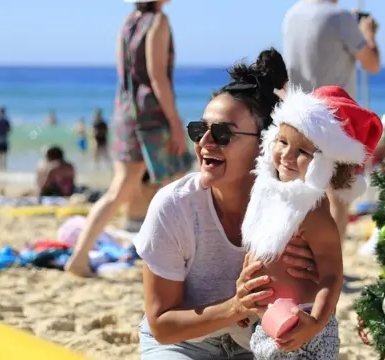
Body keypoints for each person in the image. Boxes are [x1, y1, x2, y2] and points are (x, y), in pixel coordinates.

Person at [133, 48, 320, 359]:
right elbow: (162, 325)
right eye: (199, 129)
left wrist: (312, 283)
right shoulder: (174, 207)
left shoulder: (293, 207)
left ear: (266, 144)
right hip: (185, 343)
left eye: (221, 133)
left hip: (260, 344)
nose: (205, 141)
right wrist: (237, 306)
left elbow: (323, 290)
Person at [242, 85, 382, 359]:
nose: (287, 156)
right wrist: (245, 299)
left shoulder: (314, 213)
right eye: (282, 142)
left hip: (304, 325)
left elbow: (332, 274)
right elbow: (256, 251)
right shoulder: (268, 196)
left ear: (325, 164)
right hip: (269, 323)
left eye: (303, 151)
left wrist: (316, 322)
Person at [65, 0, 192, 277]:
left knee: (120, 190)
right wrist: (175, 121)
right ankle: (181, 261)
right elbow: (157, 77)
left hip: (124, 111)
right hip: (150, 116)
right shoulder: (158, 21)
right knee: (178, 182)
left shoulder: (129, 21)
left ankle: (80, 256)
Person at [282, 0, 381, 240]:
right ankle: (333, 269)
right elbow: (372, 64)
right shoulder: (340, 18)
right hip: (336, 118)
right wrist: (368, 34)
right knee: (338, 196)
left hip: (299, 114)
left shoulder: (292, 14)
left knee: (300, 193)